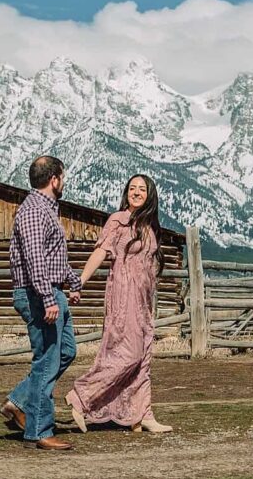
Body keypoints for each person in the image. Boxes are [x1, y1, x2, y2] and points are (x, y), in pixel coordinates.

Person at [65, 174, 173, 434]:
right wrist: (80, 281)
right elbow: (101, 251)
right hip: (123, 298)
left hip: (144, 300)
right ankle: (81, 397)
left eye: (142, 189)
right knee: (128, 355)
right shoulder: (118, 220)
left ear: (150, 195)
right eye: (132, 188)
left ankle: (142, 414)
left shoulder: (148, 227)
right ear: (127, 193)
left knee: (144, 357)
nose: (136, 192)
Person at [0, 156, 82, 450]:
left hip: (50, 291)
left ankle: (19, 401)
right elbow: (35, 260)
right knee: (47, 361)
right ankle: (39, 431)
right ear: (54, 180)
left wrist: (72, 281)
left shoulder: (46, 209)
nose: (64, 181)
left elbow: (51, 257)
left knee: (66, 352)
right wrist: (49, 298)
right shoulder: (34, 211)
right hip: (39, 294)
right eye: (64, 176)